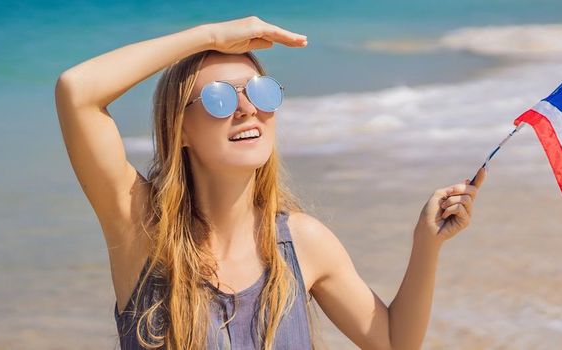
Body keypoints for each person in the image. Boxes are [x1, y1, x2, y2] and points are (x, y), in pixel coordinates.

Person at [54, 15, 486, 349]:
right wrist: (209, 36)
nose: (247, 109)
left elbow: (392, 341)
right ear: (179, 129)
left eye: (260, 91)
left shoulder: (301, 243)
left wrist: (426, 245)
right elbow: (78, 91)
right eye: (220, 98)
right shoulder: (143, 232)